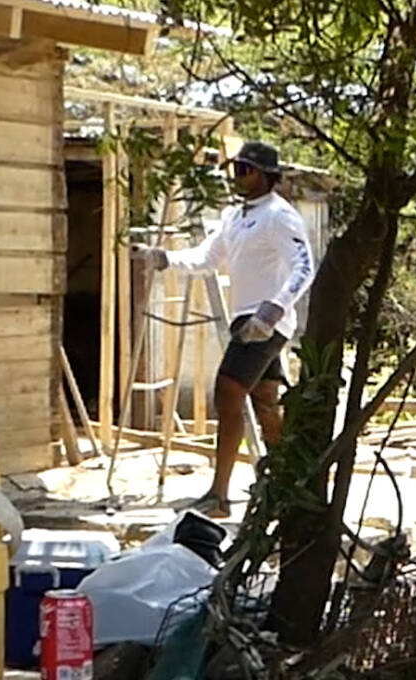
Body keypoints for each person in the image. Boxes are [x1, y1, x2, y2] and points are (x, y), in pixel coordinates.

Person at [133, 140, 315, 519]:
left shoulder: (280, 216)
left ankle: (219, 495)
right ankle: (289, 484)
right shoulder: (234, 217)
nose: (238, 176)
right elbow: (206, 258)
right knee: (266, 402)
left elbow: (304, 267)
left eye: (246, 170)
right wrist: (163, 258)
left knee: (228, 393)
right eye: (236, 170)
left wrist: (272, 310)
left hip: (267, 324)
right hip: (244, 322)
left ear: (267, 176)